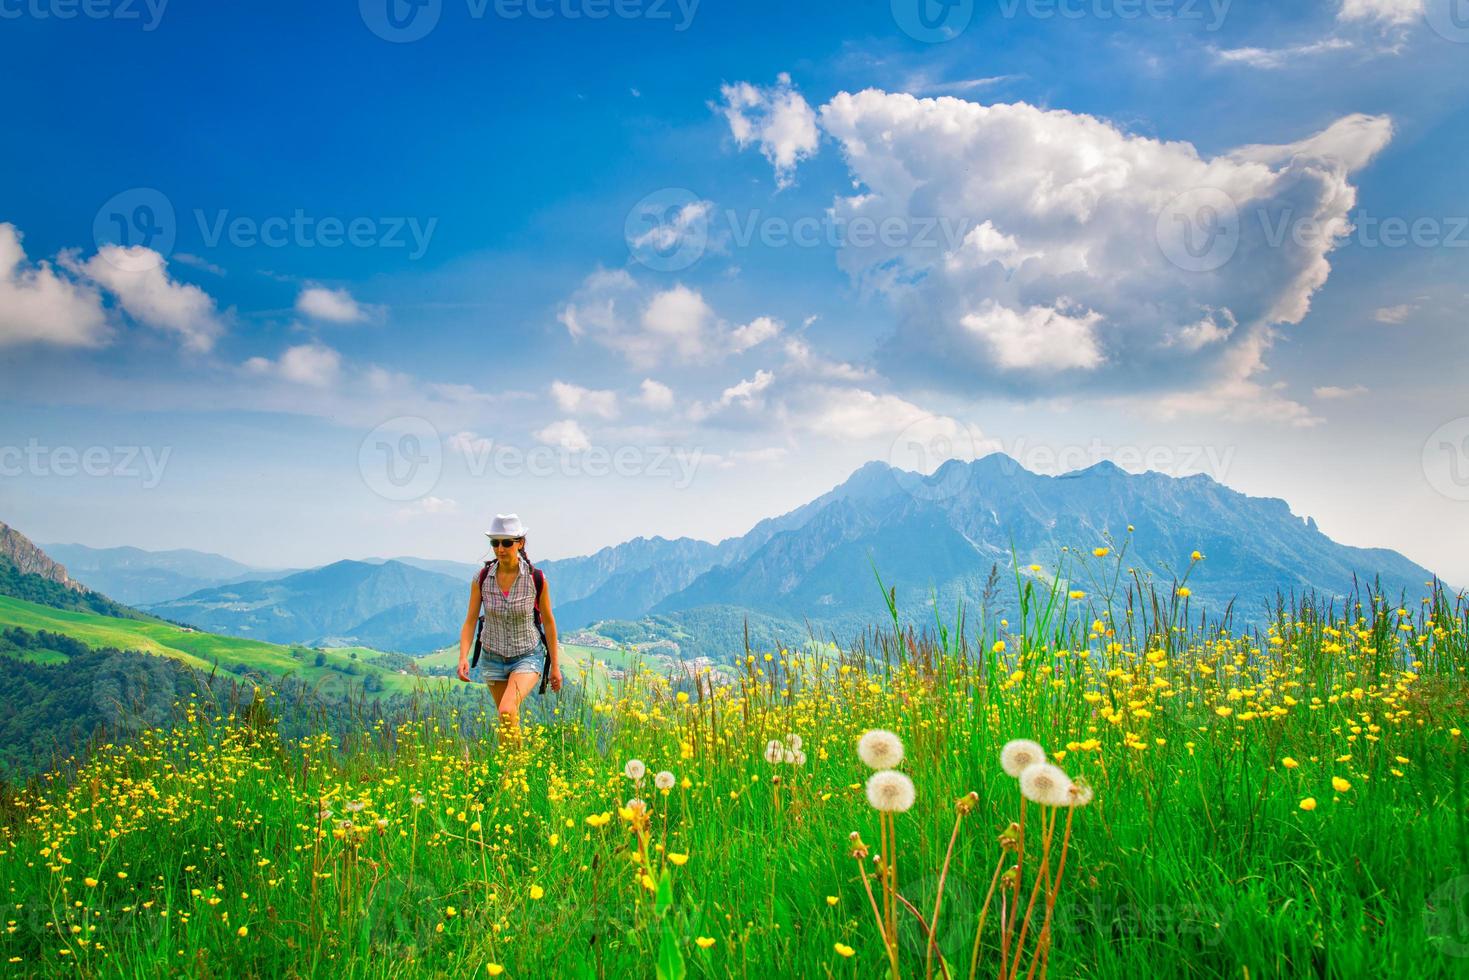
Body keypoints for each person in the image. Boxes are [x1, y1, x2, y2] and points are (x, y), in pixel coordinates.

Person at [457, 513, 562, 743]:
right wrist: (463, 656)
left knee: (506, 710)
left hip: (527, 655)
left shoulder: (536, 579)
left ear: (520, 542)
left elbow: (549, 622)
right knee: (507, 719)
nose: (500, 549)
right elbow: (470, 620)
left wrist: (555, 666)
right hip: (492, 657)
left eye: (506, 542)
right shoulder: (482, 578)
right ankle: (513, 772)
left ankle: (514, 771)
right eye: (495, 543)